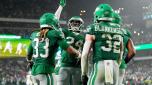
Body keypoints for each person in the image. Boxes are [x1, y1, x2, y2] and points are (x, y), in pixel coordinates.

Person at [26, 13, 81, 85]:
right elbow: (68, 48)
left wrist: (30, 61)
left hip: (34, 74)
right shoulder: (54, 34)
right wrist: (78, 53)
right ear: (53, 23)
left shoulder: (34, 35)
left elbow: (29, 53)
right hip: (46, 71)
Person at [81, 4, 124, 85]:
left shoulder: (93, 28)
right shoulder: (119, 30)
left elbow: (84, 54)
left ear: (97, 15)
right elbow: (121, 54)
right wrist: (115, 65)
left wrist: (84, 74)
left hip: (100, 65)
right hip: (115, 67)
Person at [111, 12, 136, 85]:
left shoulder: (102, 29)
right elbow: (132, 52)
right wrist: (124, 61)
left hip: (105, 63)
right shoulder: (125, 32)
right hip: (120, 64)